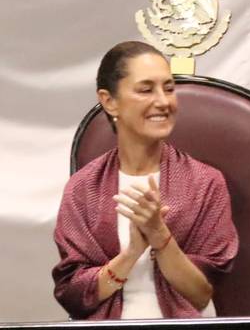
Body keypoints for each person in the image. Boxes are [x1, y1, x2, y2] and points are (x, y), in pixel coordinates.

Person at [53, 41, 238, 319]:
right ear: (109, 101)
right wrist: (131, 254)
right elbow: (74, 296)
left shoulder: (205, 183)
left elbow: (202, 292)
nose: (163, 102)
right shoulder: (83, 188)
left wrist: (160, 236)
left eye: (169, 88)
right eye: (146, 89)